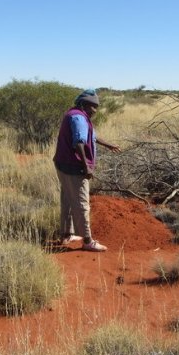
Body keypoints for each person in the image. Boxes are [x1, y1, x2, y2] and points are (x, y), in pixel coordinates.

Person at [53, 89, 121, 251]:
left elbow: (91, 136)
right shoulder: (79, 118)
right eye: (92, 106)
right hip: (74, 167)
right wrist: (86, 166)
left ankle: (66, 234)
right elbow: (79, 143)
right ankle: (88, 241)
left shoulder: (75, 114)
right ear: (83, 104)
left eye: (96, 107)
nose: (95, 110)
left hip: (63, 164)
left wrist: (107, 144)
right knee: (82, 203)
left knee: (68, 199)